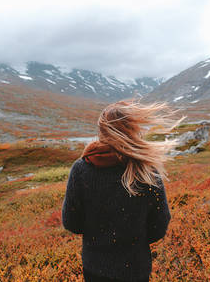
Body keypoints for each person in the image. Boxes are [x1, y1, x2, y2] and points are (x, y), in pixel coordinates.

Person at [62, 99, 185, 281]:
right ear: (133, 129)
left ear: (102, 131)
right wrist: (133, 240)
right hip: (136, 269)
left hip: (95, 268)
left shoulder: (81, 169)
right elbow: (159, 225)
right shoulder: (147, 170)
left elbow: (71, 223)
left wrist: (98, 236)